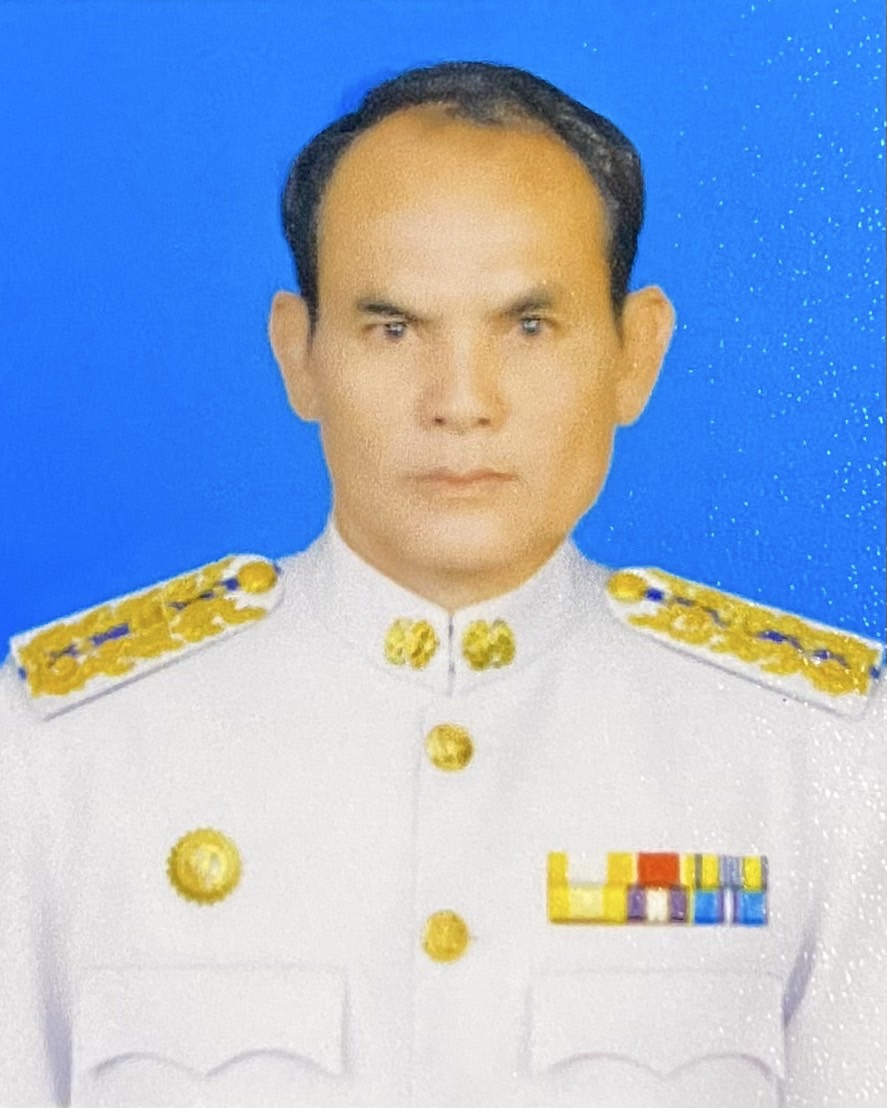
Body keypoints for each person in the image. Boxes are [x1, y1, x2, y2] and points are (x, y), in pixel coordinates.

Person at [0, 61, 883, 1108]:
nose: (460, 402)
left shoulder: (819, 761)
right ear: (298, 354)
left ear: (633, 354)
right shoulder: (60, 757)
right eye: (393, 327)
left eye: (528, 326)